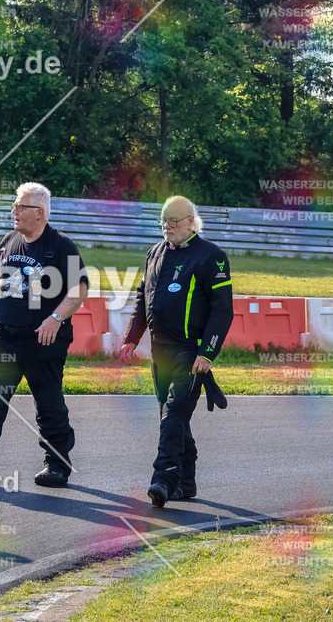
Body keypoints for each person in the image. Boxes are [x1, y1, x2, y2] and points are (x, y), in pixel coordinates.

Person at [0, 182, 89, 487]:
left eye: (20, 207)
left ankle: (57, 463)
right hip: (4, 337)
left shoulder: (61, 245)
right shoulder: (8, 241)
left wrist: (55, 318)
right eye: (15, 206)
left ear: (39, 213)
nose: (14, 211)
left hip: (42, 340)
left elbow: (79, 290)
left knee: (48, 404)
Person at [119, 195, 233, 507]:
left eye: (174, 221)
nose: (167, 226)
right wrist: (131, 338)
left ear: (192, 223)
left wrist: (207, 353)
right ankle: (186, 482)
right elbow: (143, 300)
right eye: (163, 221)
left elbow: (222, 312)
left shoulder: (212, 256)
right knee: (173, 418)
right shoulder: (154, 253)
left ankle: (163, 480)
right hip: (160, 353)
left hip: (191, 353)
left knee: (172, 417)